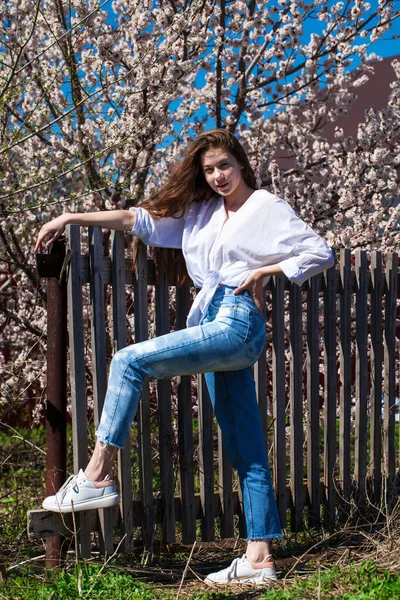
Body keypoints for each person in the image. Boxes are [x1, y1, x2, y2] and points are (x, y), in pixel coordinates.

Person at [35, 129, 334, 586]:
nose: (217, 176)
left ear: (241, 164)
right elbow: (136, 220)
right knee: (245, 448)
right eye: (209, 169)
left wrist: (266, 270)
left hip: (236, 321)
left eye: (225, 166)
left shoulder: (265, 207)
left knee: (127, 361)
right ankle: (259, 559)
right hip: (211, 325)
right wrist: (70, 217)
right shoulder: (201, 215)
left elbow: (320, 252)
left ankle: (96, 476)